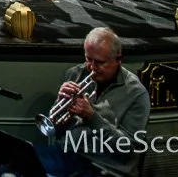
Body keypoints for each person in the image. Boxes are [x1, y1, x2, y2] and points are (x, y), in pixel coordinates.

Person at [36, 27, 150, 177]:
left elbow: (129, 150)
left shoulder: (137, 93)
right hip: (69, 156)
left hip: (104, 167)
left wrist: (92, 117)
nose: (91, 68)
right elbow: (56, 131)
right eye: (88, 59)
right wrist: (60, 106)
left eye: (99, 62)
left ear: (118, 59)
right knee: (14, 161)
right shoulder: (75, 73)